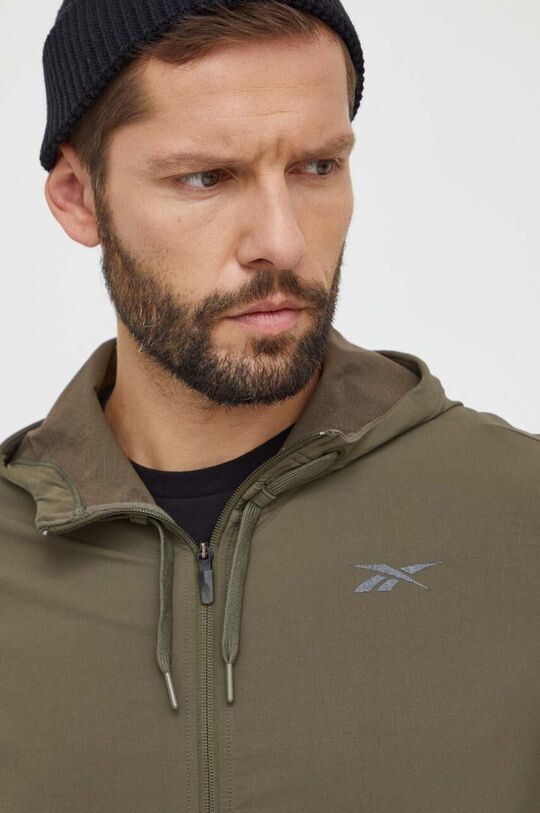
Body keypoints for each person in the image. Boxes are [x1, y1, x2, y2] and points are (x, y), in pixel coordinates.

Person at [0, 1, 538, 810]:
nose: (282, 242)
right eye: (205, 178)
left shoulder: (521, 518)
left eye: (316, 167)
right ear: (80, 197)